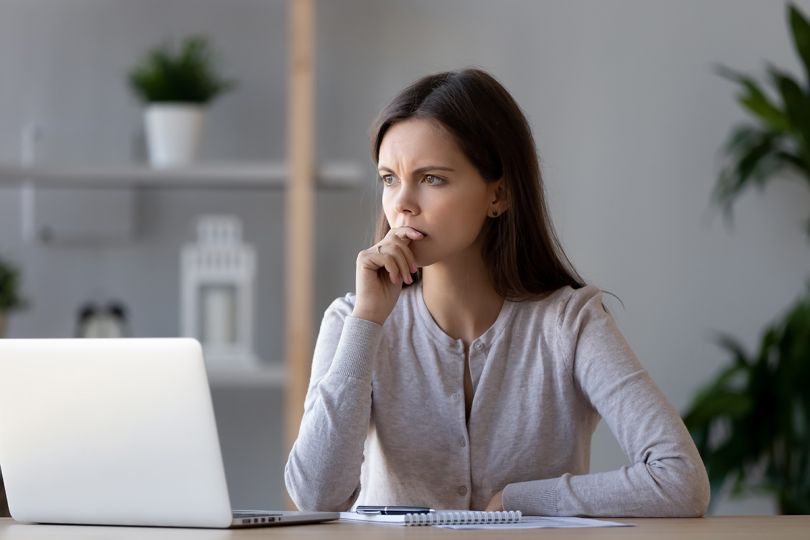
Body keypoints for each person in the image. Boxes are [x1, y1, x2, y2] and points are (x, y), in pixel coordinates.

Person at [284, 68, 710, 517]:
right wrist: (367, 324)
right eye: (389, 178)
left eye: (432, 179)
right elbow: (315, 496)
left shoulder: (570, 323)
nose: (401, 204)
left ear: (499, 195)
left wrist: (523, 500)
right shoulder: (352, 321)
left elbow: (680, 479)